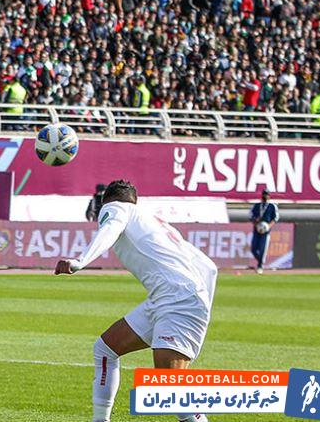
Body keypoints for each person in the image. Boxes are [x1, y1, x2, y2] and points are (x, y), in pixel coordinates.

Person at [55, 180, 217, 422]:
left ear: (105, 203)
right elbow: (210, 268)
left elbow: (110, 229)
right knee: (105, 348)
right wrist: (201, 309)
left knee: (171, 389)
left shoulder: (116, 209)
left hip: (177, 301)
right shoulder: (156, 222)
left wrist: (80, 261)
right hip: (173, 299)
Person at [249, 189, 279, 275]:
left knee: (263, 248)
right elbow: (250, 216)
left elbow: (275, 218)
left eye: (267, 194)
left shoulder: (272, 206)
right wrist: (255, 222)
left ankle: (260, 266)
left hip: (266, 231)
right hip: (257, 230)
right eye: (264, 194)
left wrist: (269, 226)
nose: (265, 196)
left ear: (269, 196)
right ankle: (260, 261)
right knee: (254, 249)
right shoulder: (257, 205)